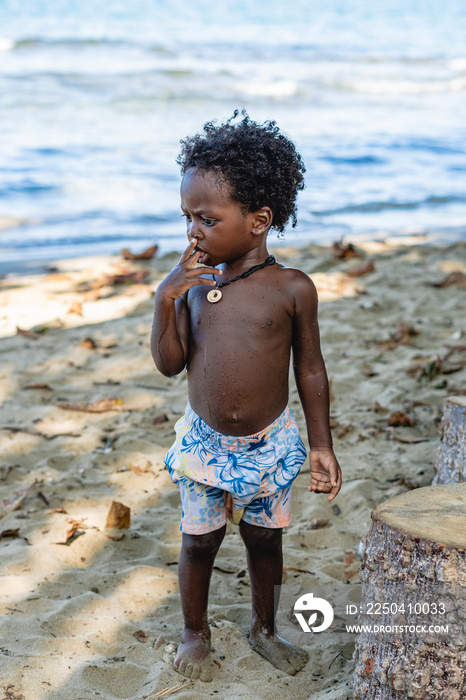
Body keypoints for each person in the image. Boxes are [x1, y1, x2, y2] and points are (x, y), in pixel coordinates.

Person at [151, 111, 342, 683]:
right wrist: (164, 300)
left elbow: (311, 369)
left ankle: (264, 626)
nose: (193, 233)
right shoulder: (190, 288)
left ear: (259, 220)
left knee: (264, 537)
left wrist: (321, 446)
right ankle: (194, 631)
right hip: (206, 445)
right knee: (200, 540)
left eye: (207, 219)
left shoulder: (291, 289)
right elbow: (168, 365)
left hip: (271, 443)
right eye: (187, 217)